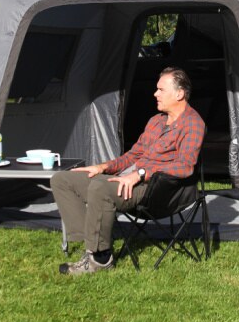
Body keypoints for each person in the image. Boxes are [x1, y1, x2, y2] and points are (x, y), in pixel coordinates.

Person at [50, 66, 205, 275]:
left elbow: (185, 165)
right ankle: (90, 242)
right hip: (128, 180)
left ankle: (100, 258)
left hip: (154, 190)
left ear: (179, 94)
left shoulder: (193, 124)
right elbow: (133, 155)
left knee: (99, 187)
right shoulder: (155, 122)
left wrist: (140, 174)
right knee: (62, 180)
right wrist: (103, 167)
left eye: (160, 90)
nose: (155, 94)